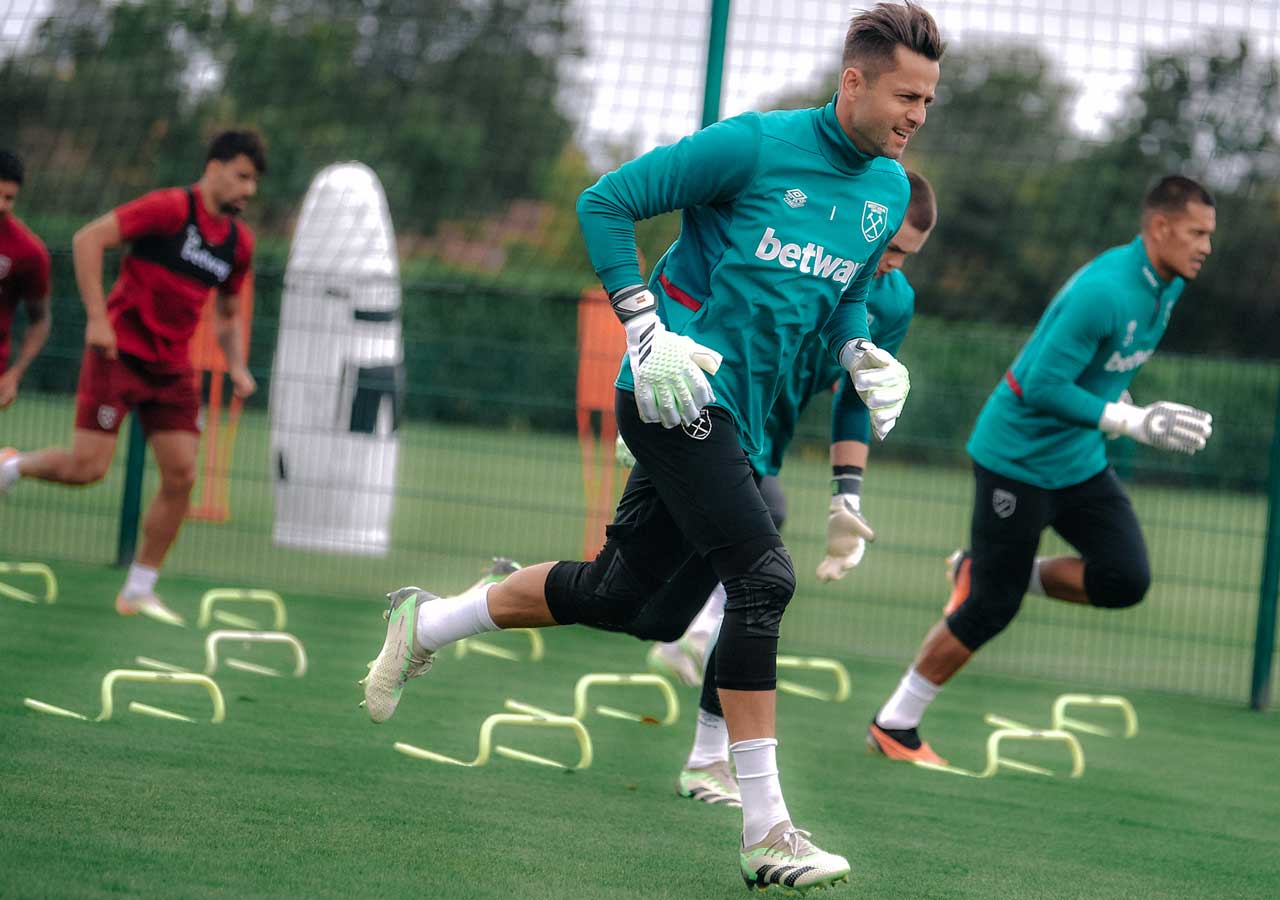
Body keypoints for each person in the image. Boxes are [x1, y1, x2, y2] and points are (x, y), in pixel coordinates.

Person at [361, 3, 941, 890]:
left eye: (930, 102)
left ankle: (428, 621)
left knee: (626, 599)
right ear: (853, 81)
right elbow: (607, 202)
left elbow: (851, 290)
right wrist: (642, 327)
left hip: (737, 423)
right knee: (766, 577)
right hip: (671, 394)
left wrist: (859, 348)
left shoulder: (891, 191)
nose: (917, 116)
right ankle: (766, 829)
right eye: (906, 95)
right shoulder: (751, 146)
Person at [866, 176, 1217, 765]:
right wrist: (1130, 423)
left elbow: (1103, 365)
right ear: (1160, 228)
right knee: (991, 607)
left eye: (1210, 235)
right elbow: (1039, 386)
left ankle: (987, 569)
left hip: (1077, 461)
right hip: (1016, 462)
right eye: (1197, 233)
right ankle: (894, 725)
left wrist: (1118, 401)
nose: (1207, 246)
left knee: (1125, 578)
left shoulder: (1167, 285)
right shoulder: (1105, 290)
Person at [623, 172, 935, 811]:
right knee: (760, 567)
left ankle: (459, 611)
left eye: (905, 258)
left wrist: (847, 498)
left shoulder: (892, 301)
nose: (892, 267)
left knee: (643, 605)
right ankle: (713, 758)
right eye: (890, 249)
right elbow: (686, 285)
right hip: (701, 418)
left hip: (760, 444)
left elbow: (857, 399)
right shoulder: (802, 252)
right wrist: (644, 386)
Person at [0, 131, 264, 625]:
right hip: (118, 354)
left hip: (172, 368)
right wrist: (99, 319)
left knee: (183, 475)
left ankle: (139, 589)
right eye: (243, 176)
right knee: (88, 469)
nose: (249, 190)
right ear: (214, 167)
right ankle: (11, 467)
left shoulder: (237, 244)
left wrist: (238, 366)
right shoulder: (168, 208)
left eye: (255, 181)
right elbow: (88, 239)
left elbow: (228, 316)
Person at [0, 150, 52, 410]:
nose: (1, 204)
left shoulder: (28, 251)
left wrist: (15, 374)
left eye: (8, 198)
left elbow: (40, 320)